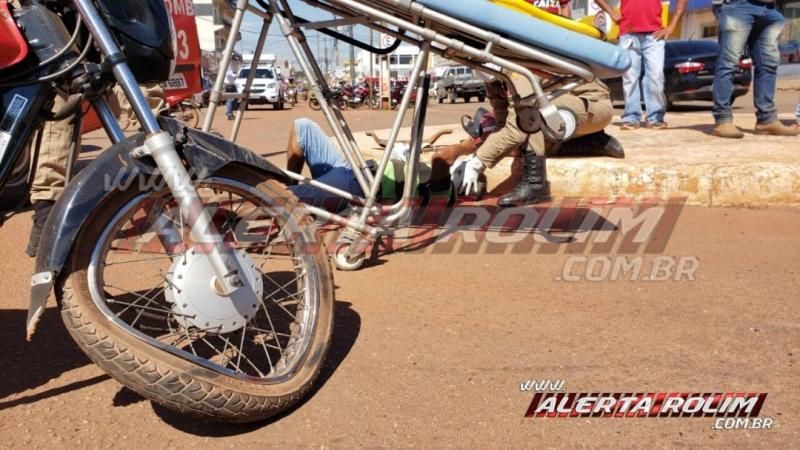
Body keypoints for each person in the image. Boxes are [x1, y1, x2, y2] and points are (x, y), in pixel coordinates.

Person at [458, 75, 625, 207]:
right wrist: (477, 156)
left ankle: (535, 184)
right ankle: (594, 142)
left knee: (530, 113)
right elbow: (503, 124)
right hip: (561, 112)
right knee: (518, 142)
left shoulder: (516, 67)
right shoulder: (493, 77)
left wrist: (477, 162)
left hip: (592, 104)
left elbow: (523, 116)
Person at [285, 118, 478, 211]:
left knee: (274, 199)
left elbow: (442, 157)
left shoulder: (447, 192)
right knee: (303, 127)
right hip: (355, 171)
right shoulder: (429, 177)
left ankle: (280, 194)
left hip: (359, 186)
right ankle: (288, 185)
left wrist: (468, 146)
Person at [595, 0, 687, 130]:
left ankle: (655, 118)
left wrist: (672, 26)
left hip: (654, 35)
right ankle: (631, 117)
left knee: (655, 76)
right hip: (628, 33)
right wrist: (611, 12)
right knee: (630, 78)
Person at [711, 0, 797, 138]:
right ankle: (723, 120)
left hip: (770, 9)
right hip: (739, 5)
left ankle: (767, 120)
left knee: (768, 65)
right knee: (728, 63)